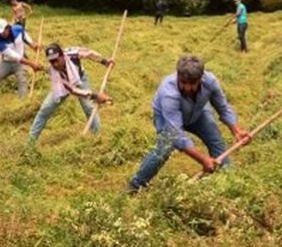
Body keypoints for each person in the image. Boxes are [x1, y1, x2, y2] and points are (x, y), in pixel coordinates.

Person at [127, 55, 251, 192]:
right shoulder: (169, 92)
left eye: (192, 84)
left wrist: (236, 131)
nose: (187, 88)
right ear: (178, 77)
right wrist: (203, 159)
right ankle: (136, 184)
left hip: (198, 112)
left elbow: (222, 107)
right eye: (183, 83)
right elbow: (177, 135)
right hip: (166, 118)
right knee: (164, 149)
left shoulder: (210, 82)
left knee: (216, 140)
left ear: (200, 79)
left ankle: (230, 180)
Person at [28, 43, 114, 141]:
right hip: (63, 87)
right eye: (52, 62)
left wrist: (104, 61)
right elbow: (73, 90)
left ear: (62, 56)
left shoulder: (71, 54)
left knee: (89, 108)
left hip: (80, 79)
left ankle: (97, 138)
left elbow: (89, 53)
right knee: (45, 110)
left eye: (57, 60)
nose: (55, 64)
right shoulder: (56, 73)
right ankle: (30, 143)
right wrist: (95, 95)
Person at [0, 19, 42, 106]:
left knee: (22, 81)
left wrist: (33, 44)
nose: (2, 34)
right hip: (5, 63)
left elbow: (25, 36)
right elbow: (15, 56)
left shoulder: (18, 29)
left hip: (19, 64)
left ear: (8, 27)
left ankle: (22, 105)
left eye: (3, 31)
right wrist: (32, 64)